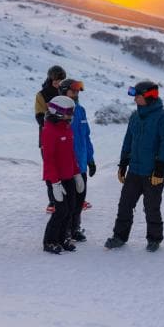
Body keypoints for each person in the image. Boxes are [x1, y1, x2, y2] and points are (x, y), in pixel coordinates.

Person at [105, 81, 164, 252]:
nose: (135, 99)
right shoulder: (134, 116)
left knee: (151, 207)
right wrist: (123, 164)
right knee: (125, 204)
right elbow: (128, 141)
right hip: (135, 170)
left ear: (149, 97)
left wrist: (159, 169)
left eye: (138, 95)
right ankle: (119, 236)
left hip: (154, 172)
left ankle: (154, 239)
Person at [41, 95, 84, 254]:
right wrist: (54, 183)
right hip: (56, 179)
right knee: (61, 210)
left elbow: (71, 155)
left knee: (71, 208)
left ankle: (62, 238)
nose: (71, 115)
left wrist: (77, 173)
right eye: (68, 112)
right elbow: (49, 159)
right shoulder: (49, 131)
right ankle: (49, 241)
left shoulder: (66, 127)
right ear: (57, 111)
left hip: (68, 176)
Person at [59, 79, 95, 242]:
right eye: (73, 91)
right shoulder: (58, 112)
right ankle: (64, 230)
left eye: (78, 92)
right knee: (68, 201)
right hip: (66, 166)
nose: (76, 94)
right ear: (64, 92)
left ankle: (74, 228)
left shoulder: (80, 110)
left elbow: (86, 137)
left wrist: (90, 159)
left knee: (80, 199)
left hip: (80, 164)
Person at [35, 65, 66, 213]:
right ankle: (53, 202)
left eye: (61, 80)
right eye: (56, 79)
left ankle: (69, 197)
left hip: (65, 136)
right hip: (47, 137)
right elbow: (39, 116)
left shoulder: (65, 92)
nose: (58, 82)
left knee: (67, 167)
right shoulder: (42, 95)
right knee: (51, 168)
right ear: (50, 78)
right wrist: (50, 119)